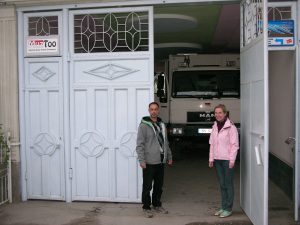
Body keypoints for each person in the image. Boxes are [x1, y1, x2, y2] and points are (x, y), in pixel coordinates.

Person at [136, 101, 173, 218]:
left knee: (158, 186)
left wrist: (169, 156)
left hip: (160, 161)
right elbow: (140, 144)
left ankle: (157, 204)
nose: (154, 111)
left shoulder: (162, 124)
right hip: (149, 161)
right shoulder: (144, 125)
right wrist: (142, 160)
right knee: (147, 186)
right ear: (149, 110)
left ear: (158, 110)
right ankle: (146, 207)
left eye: (156, 109)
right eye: (151, 109)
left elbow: (166, 142)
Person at [208, 104, 239, 218]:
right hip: (217, 160)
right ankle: (223, 206)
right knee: (222, 184)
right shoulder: (215, 126)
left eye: (220, 112)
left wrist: (232, 160)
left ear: (225, 113)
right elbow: (212, 143)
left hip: (227, 161)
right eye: (216, 113)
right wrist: (211, 158)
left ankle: (229, 208)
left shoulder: (231, 127)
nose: (217, 115)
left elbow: (234, 145)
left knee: (228, 184)